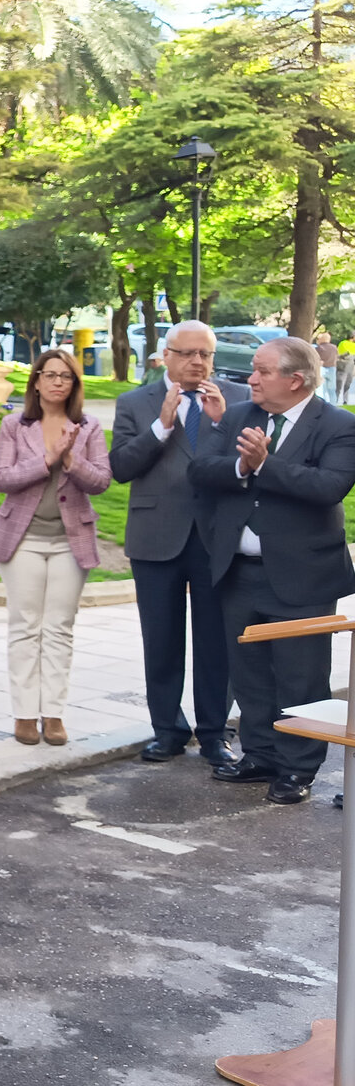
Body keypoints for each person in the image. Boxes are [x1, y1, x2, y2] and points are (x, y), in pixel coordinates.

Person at [190, 337, 355, 805]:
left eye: (262, 371)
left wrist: (265, 465)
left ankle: (298, 767)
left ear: (295, 379)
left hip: (303, 576)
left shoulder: (339, 425)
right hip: (238, 572)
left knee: (301, 677)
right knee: (249, 673)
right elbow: (201, 470)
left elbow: (329, 487)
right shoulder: (241, 415)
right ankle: (260, 754)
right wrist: (242, 468)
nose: (251, 379)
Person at [107, 322, 246, 766]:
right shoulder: (135, 402)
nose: (197, 362)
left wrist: (222, 423)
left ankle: (214, 734)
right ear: (165, 355)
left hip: (215, 537)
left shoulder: (238, 399)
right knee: (161, 639)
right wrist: (160, 428)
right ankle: (167, 730)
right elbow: (120, 467)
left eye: (205, 354)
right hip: (156, 535)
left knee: (216, 641)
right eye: (187, 353)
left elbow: (248, 467)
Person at [0, 350, 112, 745]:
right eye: (51, 375)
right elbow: (2, 478)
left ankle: (53, 714)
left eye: (66, 376)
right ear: (37, 382)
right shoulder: (14, 424)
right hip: (22, 539)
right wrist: (47, 459)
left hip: (69, 541)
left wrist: (71, 459)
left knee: (59, 628)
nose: (58, 382)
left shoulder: (89, 426)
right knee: (25, 626)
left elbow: (102, 481)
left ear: (75, 384)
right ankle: (25, 713)